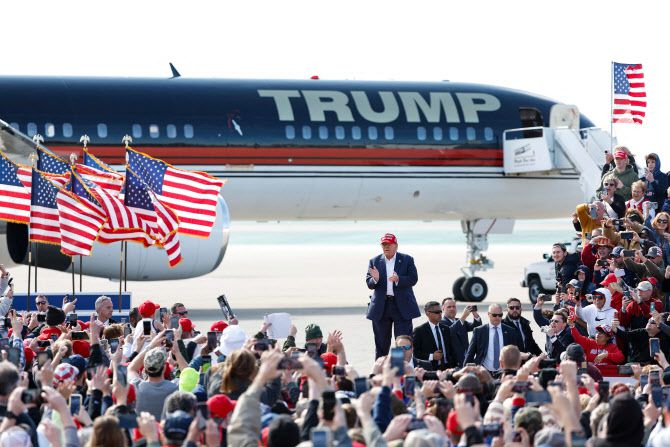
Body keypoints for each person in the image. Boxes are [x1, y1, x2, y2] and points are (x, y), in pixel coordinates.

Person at [365, 233, 420, 359]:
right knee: (381, 344)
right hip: (381, 307)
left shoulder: (407, 259)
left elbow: (413, 279)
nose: (386, 247)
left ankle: (401, 372)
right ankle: (380, 374)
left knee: (403, 344)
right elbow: (369, 283)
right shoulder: (374, 261)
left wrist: (398, 279)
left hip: (401, 307)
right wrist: (375, 279)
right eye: (384, 244)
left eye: (389, 244)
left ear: (396, 246)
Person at [463, 304, 518, 373]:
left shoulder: (510, 331)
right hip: (483, 371)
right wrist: (464, 371)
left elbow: (514, 353)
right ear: (488, 314)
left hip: (504, 371)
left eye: (500, 315)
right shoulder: (479, 331)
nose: (497, 317)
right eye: (494, 315)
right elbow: (470, 353)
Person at [412, 301, 456, 371]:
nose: (440, 314)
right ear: (427, 313)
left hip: (447, 368)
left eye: (440, 311)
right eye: (437, 312)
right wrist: (432, 356)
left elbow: (451, 350)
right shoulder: (419, 331)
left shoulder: (446, 329)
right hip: (430, 369)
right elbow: (415, 354)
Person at [441, 298, 481, 367]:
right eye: (449, 307)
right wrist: (463, 317)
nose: (452, 309)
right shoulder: (441, 323)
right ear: (443, 308)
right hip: (452, 362)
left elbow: (476, 327)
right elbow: (451, 331)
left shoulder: (460, 321)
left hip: (465, 359)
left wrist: (474, 313)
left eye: (454, 307)